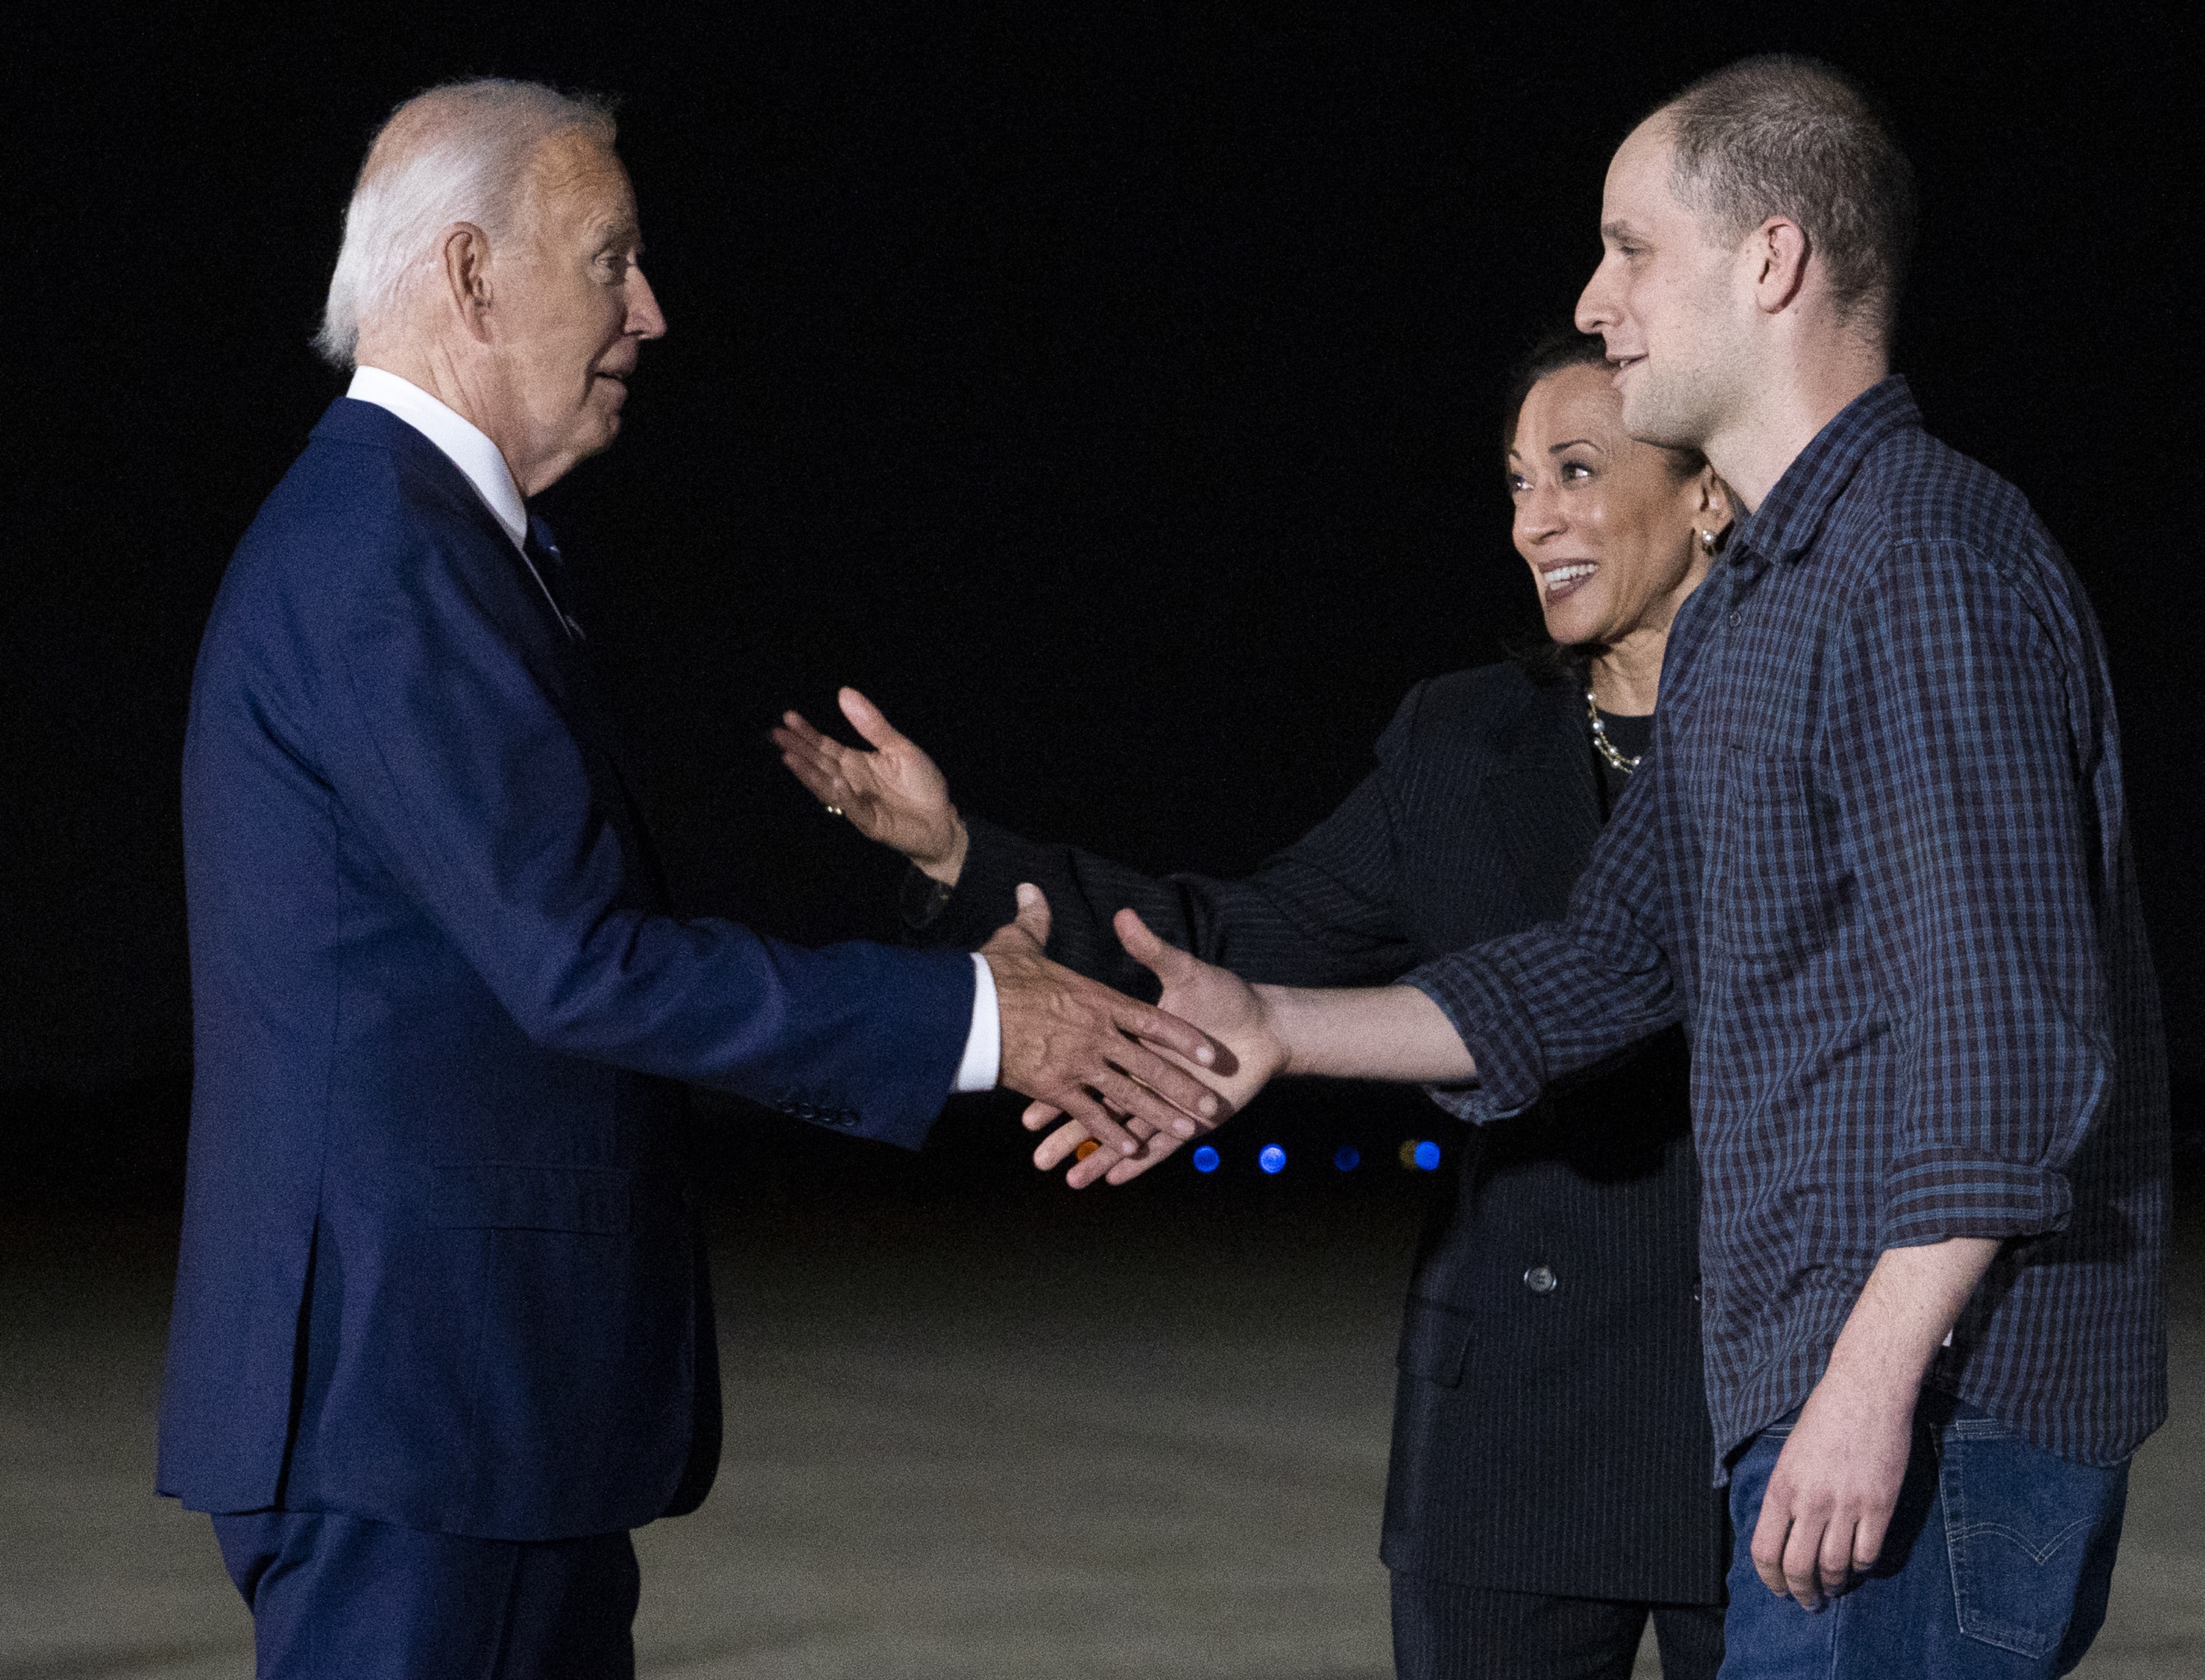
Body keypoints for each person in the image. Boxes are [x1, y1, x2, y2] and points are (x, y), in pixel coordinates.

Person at [1053, 56, 2169, 1680]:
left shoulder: (1918, 567)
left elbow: (2009, 1043)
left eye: (1631, 247)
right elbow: (1608, 957)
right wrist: (1284, 1029)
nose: (1597, 297)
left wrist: (1864, 1396)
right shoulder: (1756, 607)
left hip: (1939, 1418)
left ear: (1771, 261)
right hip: (1826, 1403)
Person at [160, 79, 1227, 1678]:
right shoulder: (385, 555)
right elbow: (579, 963)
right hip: (424, 1421)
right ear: (468, 276)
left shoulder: (430, 540)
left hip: (462, 1419)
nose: (650, 314)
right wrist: (982, 1022)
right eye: (612, 261)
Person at [775, 332, 1736, 1678]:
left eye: (1577, 470)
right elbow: (1238, 934)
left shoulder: (1817, 718)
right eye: (1517, 481)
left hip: (1763, 1431)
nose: (1534, 520)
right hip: (1514, 1436)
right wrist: (961, 856)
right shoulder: (1459, 741)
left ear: (1709, 491)